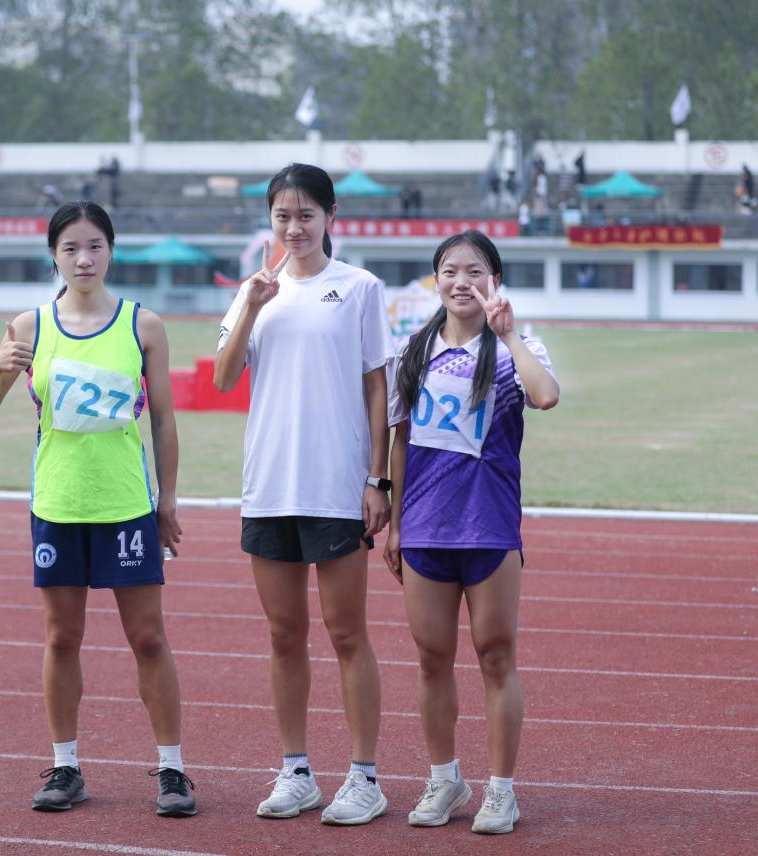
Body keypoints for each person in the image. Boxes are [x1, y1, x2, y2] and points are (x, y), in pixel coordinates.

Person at [0, 201, 196, 819]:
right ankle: (65, 765)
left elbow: (165, 421)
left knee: (148, 637)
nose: (84, 258)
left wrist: (167, 500)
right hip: (59, 505)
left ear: (111, 251)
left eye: (95, 246)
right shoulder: (29, 326)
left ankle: (173, 770)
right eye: (70, 248)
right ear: (54, 256)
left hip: (125, 505)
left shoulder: (143, 326)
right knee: (62, 637)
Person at [214, 162, 394, 826]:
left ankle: (365, 776)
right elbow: (226, 377)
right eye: (283, 216)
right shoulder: (254, 291)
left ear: (330, 216)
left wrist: (377, 478)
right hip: (270, 484)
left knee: (347, 633)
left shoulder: (360, 287)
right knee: (284, 634)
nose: (295, 227)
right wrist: (253, 305)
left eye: (306, 215)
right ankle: (296, 772)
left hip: (337, 485)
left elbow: (378, 386)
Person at [384, 230, 558, 835]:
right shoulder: (412, 351)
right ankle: (444, 779)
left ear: (495, 280)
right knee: (432, 659)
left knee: (496, 656)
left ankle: (501, 790)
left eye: (475, 271)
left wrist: (508, 334)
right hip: (425, 529)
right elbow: (400, 441)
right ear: (436, 280)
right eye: (450, 271)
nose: (462, 282)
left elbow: (547, 396)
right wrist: (396, 524)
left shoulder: (514, 350)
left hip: (489, 527)